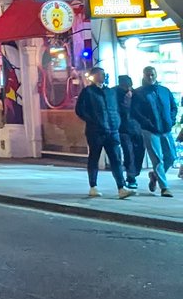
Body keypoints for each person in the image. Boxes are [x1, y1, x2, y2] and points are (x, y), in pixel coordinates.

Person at [74, 68, 134, 200]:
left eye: (104, 74)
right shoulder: (88, 92)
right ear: (94, 76)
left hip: (112, 130)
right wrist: (93, 120)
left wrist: (116, 121)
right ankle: (93, 186)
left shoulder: (110, 92)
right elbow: (79, 110)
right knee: (94, 158)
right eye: (100, 74)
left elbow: (116, 108)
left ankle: (121, 187)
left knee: (116, 159)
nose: (103, 76)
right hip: (96, 131)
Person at [135, 66, 179, 195]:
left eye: (152, 74)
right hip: (150, 130)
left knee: (171, 156)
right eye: (148, 75)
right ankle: (164, 187)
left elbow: (173, 107)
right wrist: (147, 123)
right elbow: (136, 112)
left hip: (165, 129)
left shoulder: (164, 91)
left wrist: (171, 120)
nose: (150, 77)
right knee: (157, 159)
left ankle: (155, 175)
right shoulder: (139, 93)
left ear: (156, 75)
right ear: (143, 75)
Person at [116, 74, 144, 192]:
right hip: (123, 128)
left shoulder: (136, 94)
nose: (127, 88)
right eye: (125, 85)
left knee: (140, 151)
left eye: (129, 85)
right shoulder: (115, 94)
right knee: (128, 152)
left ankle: (134, 172)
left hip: (137, 127)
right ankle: (131, 177)